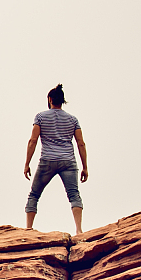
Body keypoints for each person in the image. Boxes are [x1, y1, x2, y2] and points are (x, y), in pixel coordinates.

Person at [23, 84, 89, 234]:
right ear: (62, 101)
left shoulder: (40, 117)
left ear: (50, 99)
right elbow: (81, 143)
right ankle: (79, 230)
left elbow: (33, 141)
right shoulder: (73, 120)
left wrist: (27, 164)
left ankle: (28, 229)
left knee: (34, 194)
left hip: (47, 160)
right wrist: (85, 167)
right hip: (68, 161)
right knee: (74, 194)